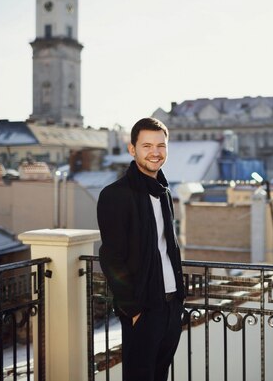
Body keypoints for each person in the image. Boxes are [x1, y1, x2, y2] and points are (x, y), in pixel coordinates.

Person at [97, 117, 185, 381]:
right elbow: (111, 256)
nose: (155, 152)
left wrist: (178, 300)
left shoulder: (164, 192)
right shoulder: (115, 194)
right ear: (132, 149)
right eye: (147, 145)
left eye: (161, 145)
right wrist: (132, 310)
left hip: (170, 305)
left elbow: (167, 247)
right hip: (143, 310)